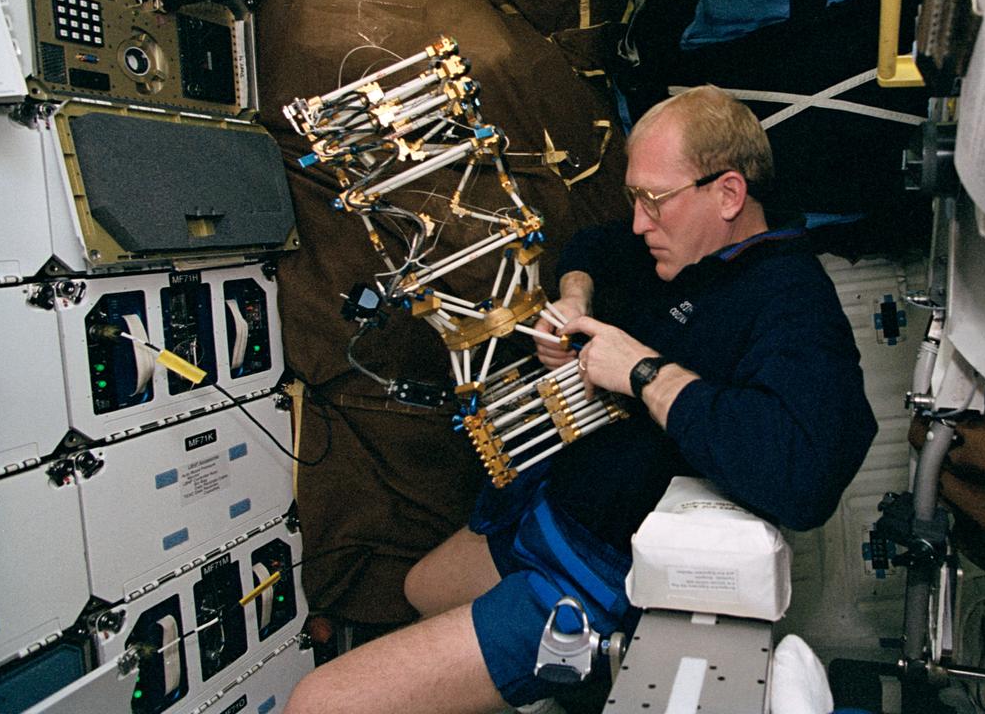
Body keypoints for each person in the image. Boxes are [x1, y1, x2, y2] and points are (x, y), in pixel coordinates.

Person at [284, 85, 877, 714]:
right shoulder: (680, 246)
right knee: (421, 586)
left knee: (316, 703)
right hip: (551, 512)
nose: (640, 222)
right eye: (634, 198)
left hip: (593, 577)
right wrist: (574, 300)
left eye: (653, 200)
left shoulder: (792, 300)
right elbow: (593, 245)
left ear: (728, 193)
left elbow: (805, 474)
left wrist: (645, 372)